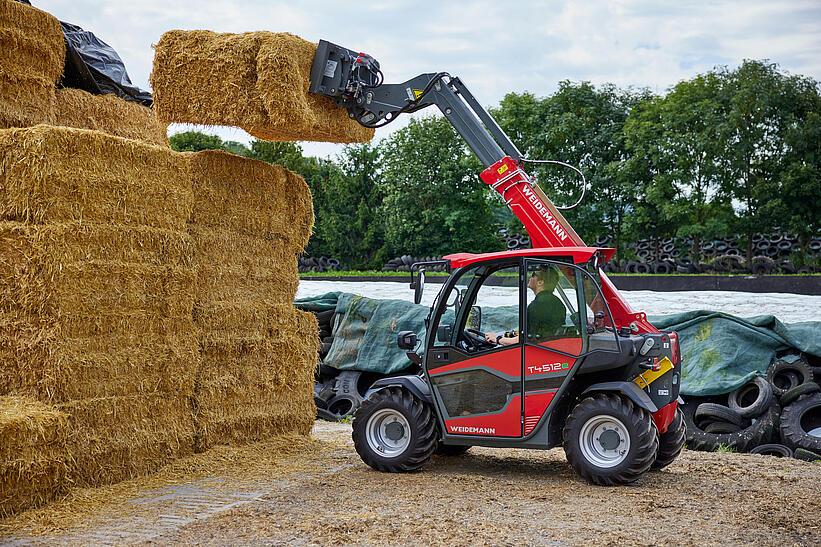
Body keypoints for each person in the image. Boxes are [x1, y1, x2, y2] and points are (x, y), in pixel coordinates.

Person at [484, 265, 566, 346]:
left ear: (540, 282)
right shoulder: (557, 303)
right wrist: (508, 335)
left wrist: (497, 339)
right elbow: (542, 332)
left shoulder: (537, 306)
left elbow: (524, 340)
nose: (530, 277)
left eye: (534, 275)